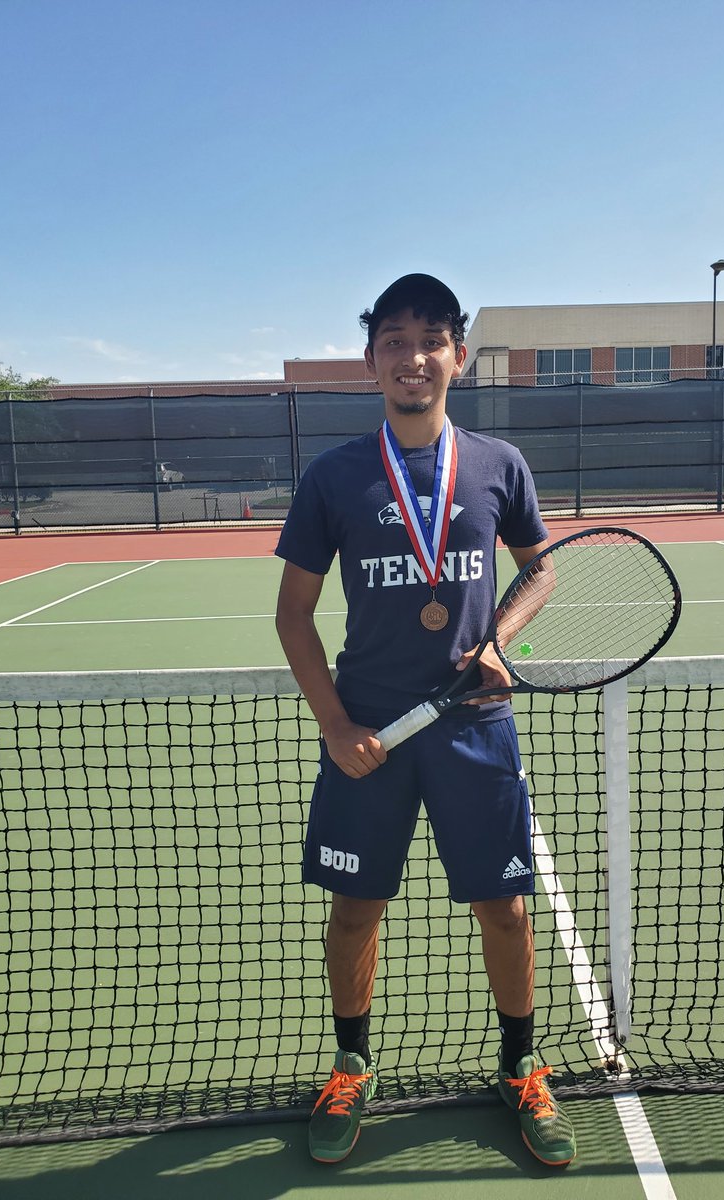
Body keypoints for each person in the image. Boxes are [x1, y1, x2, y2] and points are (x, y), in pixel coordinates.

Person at [274, 273, 576, 1168]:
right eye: (395, 340)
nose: (414, 356)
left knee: (507, 911)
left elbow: (542, 571)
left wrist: (501, 641)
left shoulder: (498, 464)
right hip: (368, 734)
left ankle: (520, 1065)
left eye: (431, 338)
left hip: (474, 728)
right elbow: (294, 614)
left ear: (458, 356)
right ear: (373, 361)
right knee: (354, 913)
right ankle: (352, 1061)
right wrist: (334, 726)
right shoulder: (333, 476)